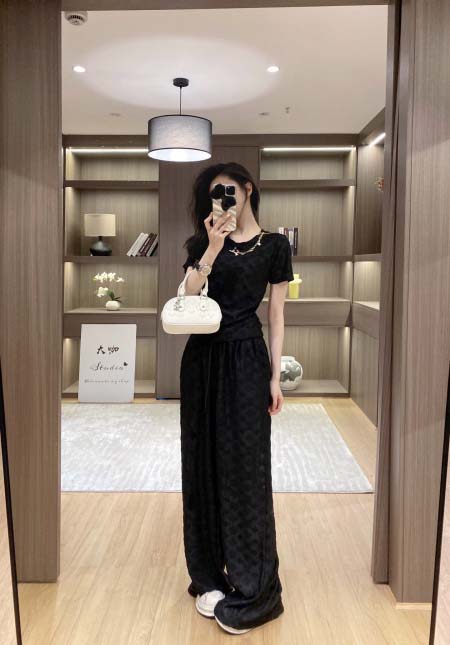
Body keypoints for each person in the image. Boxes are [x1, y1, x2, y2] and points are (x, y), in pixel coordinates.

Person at [179, 161, 294, 634]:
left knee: (246, 471)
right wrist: (212, 246)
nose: (223, 200)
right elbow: (189, 294)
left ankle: (255, 588)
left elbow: (277, 314)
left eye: (228, 190)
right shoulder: (201, 242)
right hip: (201, 360)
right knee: (201, 465)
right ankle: (208, 575)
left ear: (247, 189)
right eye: (215, 194)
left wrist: (275, 377)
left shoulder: (276, 246)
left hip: (246, 359)